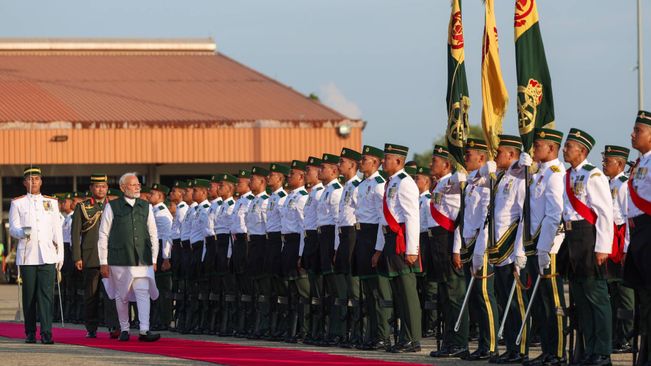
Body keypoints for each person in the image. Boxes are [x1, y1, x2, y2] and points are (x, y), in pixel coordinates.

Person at [473, 135, 528, 363]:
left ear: (512, 155)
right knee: (506, 300)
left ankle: (521, 347)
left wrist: (519, 252)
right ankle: (512, 348)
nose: (495, 157)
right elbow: (473, 178)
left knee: (517, 303)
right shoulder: (502, 178)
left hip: (511, 245)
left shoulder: (520, 179)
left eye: (499, 153)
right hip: (497, 246)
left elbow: (524, 216)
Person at [562, 128, 614, 366]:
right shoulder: (568, 175)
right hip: (572, 237)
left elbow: (604, 213)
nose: (565, 149)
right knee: (581, 299)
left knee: (596, 298)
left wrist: (603, 247)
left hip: (589, 238)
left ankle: (602, 351)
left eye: (569, 146)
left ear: (582, 150)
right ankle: (589, 349)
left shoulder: (593, 176)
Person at [518, 128, 567, 366]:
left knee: (554, 302)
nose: (533, 149)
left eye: (537, 146)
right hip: (536, 245)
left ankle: (558, 352)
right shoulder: (539, 174)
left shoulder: (555, 174)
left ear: (551, 148)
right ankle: (547, 350)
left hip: (550, 247)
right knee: (542, 303)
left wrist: (545, 248)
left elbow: (555, 214)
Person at [97, 172, 161, 342]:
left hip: (142, 258)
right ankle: (124, 328)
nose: (137, 187)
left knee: (142, 291)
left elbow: (153, 233)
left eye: (138, 184)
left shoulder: (146, 206)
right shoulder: (112, 206)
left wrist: (154, 258)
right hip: (119, 258)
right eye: (133, 185)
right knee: (121, 295)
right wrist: (103, 262)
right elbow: (103, 234)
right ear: (123, 187)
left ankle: (144, 330)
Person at [372, 143, 422, 353]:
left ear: (399, 161)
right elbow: (384, 219)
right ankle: (404, 338)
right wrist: (379, 249)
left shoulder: (405, 183)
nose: (383, 162)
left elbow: (412, 216)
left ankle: (413, 339)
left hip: (402, 241)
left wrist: (412, 249)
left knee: (408, 292)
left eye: (387, 158)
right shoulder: (390, 183)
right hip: (391, 240)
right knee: (399, 294)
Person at [9, 167, 64, 344]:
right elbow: (13, 228)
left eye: (37, 179)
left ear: (41, 181)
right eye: (30, 179)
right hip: (28, 255)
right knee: (29, 296)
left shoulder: (51, 202)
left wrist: (60, 254)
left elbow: (57, 231)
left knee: (47, 296)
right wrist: (21, 233)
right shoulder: (18, 203)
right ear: (24, 182)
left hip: (48, 255)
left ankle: (47, 333)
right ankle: (30, 332)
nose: (33, 182)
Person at [427, 145, 468, 359]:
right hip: (437, 245)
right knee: (444, 296)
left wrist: (457, 249)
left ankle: (459, 341)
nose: (430, 164)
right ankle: (449, 341)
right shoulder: (440, 185)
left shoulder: (452, 183)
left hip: (449, 243)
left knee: (454, 297)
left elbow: (459, 220)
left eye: (435, 161)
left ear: (447, 165)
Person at [71, 173, 119, 339]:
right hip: (90, 257)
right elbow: (75, 234)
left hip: (111, 258)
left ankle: (114, 326)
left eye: (104, 186)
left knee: (111, 295)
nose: (101, 189)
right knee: (91, 296)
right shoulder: (82, 207)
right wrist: (77, 257)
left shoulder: (114, 206)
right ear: (91, 188)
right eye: (97, 186)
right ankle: (91, 328)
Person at [623, 110, 651, 364]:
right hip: (638, 234)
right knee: (644, 298)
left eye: (638, 131)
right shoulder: (640, 163)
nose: (632, 135)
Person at [601, 144, 634, 354]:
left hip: (621, 242)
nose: (604, 164)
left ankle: (628, 336)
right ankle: (616, 336)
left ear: (620, 164)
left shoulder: (623, 185)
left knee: (625, 294)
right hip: (609, 240)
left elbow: (629, 218)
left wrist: (627, 250)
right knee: (612, 291)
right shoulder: (607, 183)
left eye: (608, 161)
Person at [335, 148, 363, 347]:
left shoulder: (358, 186)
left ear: (353, 165)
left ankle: (359, 332)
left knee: (355, 286)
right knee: (345, 285)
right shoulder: (345, 186)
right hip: (343, 236)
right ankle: (348, 331)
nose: (339, 165)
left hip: (354, 235)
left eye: (342, 162)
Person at [280, 161, 310, 342]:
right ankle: (292, 329)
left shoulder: (302, 198)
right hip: (288, 244)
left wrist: (300, 253)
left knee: (302, 291)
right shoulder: (290, 197)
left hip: (297, 243)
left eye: (292, 174)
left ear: (300, 177)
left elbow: (302, 227)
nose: (288, 177)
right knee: (290, 290)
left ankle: (304, 330)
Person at [317, 153, 344, 346]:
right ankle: (329, 330)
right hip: (323, 238)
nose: (319, 171)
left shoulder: (335, 191)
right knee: (328, 290)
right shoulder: (326, 190)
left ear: (333, 171)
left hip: (331, 238)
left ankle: (338, 331)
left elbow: (337, 223)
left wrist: (335, 248)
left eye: (323, 168)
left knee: (337, 290)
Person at [299, 156, 326, 345]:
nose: (306, 174)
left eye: (309, 170)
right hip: (309, 241)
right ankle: (313, 330)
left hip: (318, 240)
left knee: (320, 290)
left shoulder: (321, 192)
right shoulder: (312, 194)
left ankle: (321, 330)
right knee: (313, 290)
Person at [264, 163, 290, 339]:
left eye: (272, 175)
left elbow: (284, 225)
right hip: (269, 242)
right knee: (273, 287)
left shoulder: (282, 197)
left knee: (283, 287)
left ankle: (285, 325)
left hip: (279, 242)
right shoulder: (272, 197)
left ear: (280, 178)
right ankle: (275, 326)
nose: (268, 178)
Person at [245, 166, 271, 338]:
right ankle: (258, 324)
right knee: (256, 288)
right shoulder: (253, 201)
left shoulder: (266, 201)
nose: (249, 182)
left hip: (263, 244)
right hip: (253, 244)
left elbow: (269, 228)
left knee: (265, 288)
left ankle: (265, 326)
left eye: (253, 179)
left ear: (262, 182)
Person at [230, 170, 255, 337]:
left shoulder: (251, 201)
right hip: (237, 242)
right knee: (240, 284)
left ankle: (251, 323)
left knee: (249, 284)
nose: (237, 185)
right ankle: (242, 323)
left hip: (246, 242)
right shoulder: (239, 202)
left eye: (241, 182)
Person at [148, 184, 173, 331]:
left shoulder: (162, 213)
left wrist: (166, 258)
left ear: (160, 197)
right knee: (155, 289)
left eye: (153, 193)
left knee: (163, 290)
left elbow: (166, 237)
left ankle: (164, 320)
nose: (150, 195)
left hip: (160, 254)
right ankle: (157, 319)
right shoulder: (154, 211)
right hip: (154, 252)